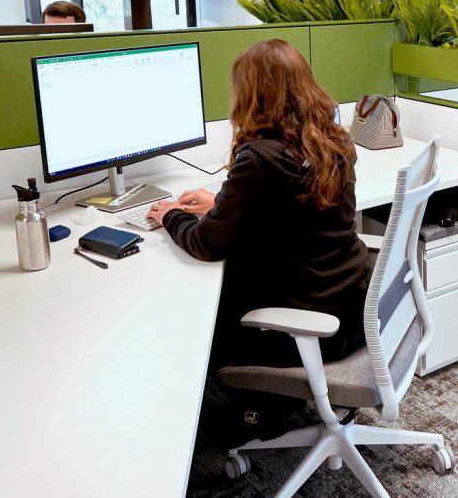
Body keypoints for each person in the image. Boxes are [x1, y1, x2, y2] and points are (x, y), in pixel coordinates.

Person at [146, 38, 372, 441]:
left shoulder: (260, 157)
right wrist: (222, 201)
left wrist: (171, 215)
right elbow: (297, 211)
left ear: (252, 96)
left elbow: (207, 244)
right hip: (351, 309)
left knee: (196, 324)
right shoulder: (332, 139)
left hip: (307, 328)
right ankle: (276, 401)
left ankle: (261, 410)